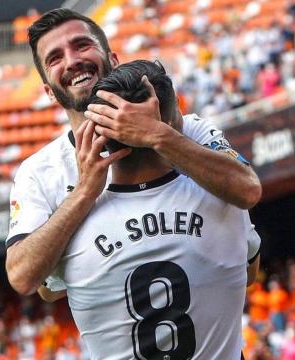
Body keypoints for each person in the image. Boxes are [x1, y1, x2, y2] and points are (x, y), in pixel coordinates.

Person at [5, 8, 262, 297]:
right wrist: (83, 193)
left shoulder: (187, 129)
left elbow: (248, 191)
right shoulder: (40, 171)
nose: (73, 60)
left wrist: (158, 136)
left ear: (113, 60)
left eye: (82, 45)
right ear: (49, 91)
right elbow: (29, 281)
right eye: (55, 58)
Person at [36, 60, 254, 359]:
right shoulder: (222, 198)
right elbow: (250, 267)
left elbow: (46, 289)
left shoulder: (73, 230)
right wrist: (161, 136)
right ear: (167, 121)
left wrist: (83, 190)